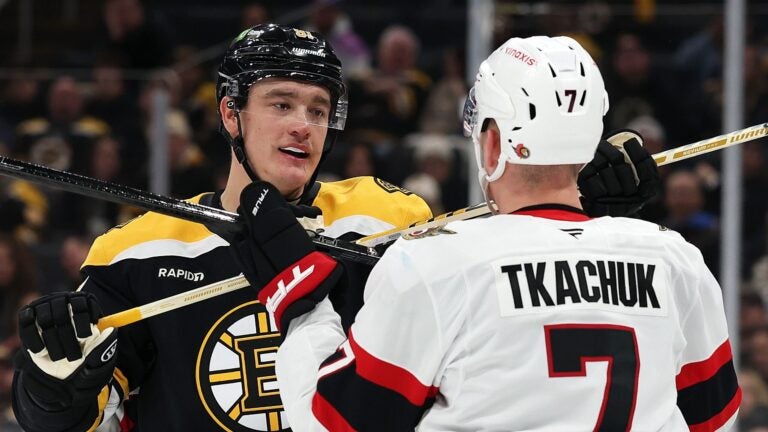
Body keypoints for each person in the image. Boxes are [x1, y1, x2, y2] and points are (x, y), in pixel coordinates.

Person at [11, 26, 658, 432]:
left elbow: (500, 299)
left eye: (318, 110)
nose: (303, 125)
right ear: (230, 115)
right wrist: (50, 382)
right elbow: (70, 420)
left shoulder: (383, 220)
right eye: (282, 104)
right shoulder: (139, 251)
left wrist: (575, 202)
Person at [264, 36, 739, 430]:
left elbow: (330, 425)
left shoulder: (433, 266)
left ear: (493, 141)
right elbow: (715, 416)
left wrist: (302, 302)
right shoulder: (673, 258)